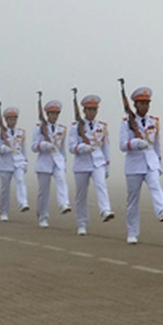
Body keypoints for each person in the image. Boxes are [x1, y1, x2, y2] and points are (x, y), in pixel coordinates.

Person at [118, 86, 163, 244]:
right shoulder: (127, 122)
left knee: (156, 186)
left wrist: (160, 163)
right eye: (142, 103)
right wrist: (135, 143)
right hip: (134, 164)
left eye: (147, 102)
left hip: (151, 162)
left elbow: (157, 145)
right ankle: (132, 232)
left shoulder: (154, 122)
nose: (145, 105)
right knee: (133, 199)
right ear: (135, 105)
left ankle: (162, 211)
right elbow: (122, 145)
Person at [68, 94, 113, 235]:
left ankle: (105, 210)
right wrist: (82, 147)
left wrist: (107, 165)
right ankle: (82, 223)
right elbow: (71, 147)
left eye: (94, 109)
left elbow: (106, 147)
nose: (92, 112)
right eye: (89, 109)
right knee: (81, 195)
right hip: (82, 163)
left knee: (101, 185)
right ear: (84, 111)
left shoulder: (102, 127)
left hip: (97, 161)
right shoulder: (76, 127)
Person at [31, 99, 72, 228]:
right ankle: (43, 216)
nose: (54, 116)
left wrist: (64, 162)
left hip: (57, 160)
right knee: (44, 191)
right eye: (52, 113)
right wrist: (43, 145)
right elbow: (33, 146)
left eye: (56, 113)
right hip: (44, 161)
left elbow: (63, 149)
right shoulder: (39, 128)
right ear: (47, 115)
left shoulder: (62, 129)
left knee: (61, 181)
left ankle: (64, 203)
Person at [0, 106, 29, 222]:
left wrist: (25, 162)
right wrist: (4, 148)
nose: (12, 122)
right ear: (6, 120)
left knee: (20, 181)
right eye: (10, 119)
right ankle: (3, 211)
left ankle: (23, 203)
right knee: (5, 189)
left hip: (18, 162)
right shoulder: (0, 134)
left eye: (14, 119)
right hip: (5, 163)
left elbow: (23, 149)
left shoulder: (21, 133)